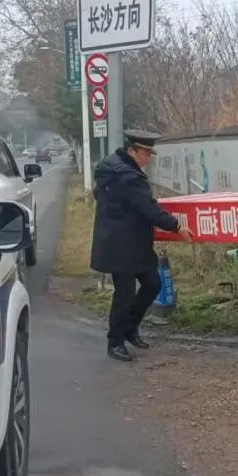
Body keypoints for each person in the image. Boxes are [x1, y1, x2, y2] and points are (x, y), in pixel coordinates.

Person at [91, 129, 193, 361]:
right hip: (120, 245)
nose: (148, 158)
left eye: (150, 154)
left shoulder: (113, 167)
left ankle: (130, 328)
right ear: (132, 151)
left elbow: (98, 193)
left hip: (135, 242)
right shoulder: (127, 177)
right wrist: (177, 227)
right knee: (124, 294)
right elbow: (150, 209)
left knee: (152, 283)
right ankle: (115, 342)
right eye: (145, 154)